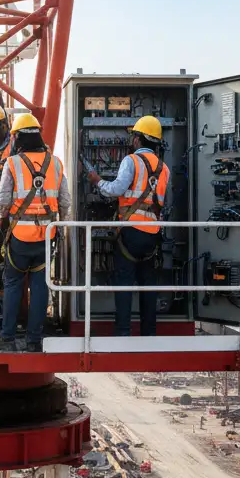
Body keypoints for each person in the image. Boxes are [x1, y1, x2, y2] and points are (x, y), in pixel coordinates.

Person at [87, 115, 170, 337]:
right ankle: (148, 334)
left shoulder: (131, 161)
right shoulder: (164, 169)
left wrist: (97, 181)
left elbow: (115, 190)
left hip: (131, 233)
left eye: (134, 135)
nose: (132, 140)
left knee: (124, 282)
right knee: (148, 284)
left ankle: (123, 333)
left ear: (139, 139)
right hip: (153, 234)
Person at [0, 114, 70, 352]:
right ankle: (33, 342)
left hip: (19, 236)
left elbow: (4, 200)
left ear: (17, 137)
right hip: (46, 237)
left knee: (13, 283)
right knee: (40, 287)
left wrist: (1, 218)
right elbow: (65, 201)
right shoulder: (56, 163)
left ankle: (8, 339)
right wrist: (60, 225)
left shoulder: (13, 163)